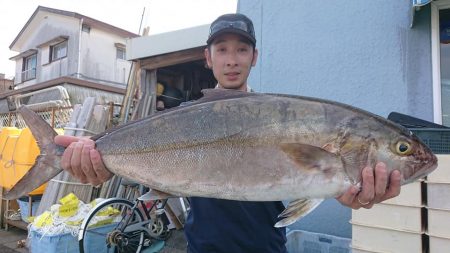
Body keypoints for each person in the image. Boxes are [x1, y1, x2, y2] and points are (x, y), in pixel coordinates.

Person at [54, 13, 401, 253]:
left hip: (265, 246)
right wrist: (95, 158)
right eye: (222, 50)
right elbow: (146, 169)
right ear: (208, 58)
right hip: (204, 246)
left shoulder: (279, 115)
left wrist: (344, 191)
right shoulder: (181, 119)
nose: (232, 59)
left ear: (255, 57)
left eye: (241, 49)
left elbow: (314, 180)